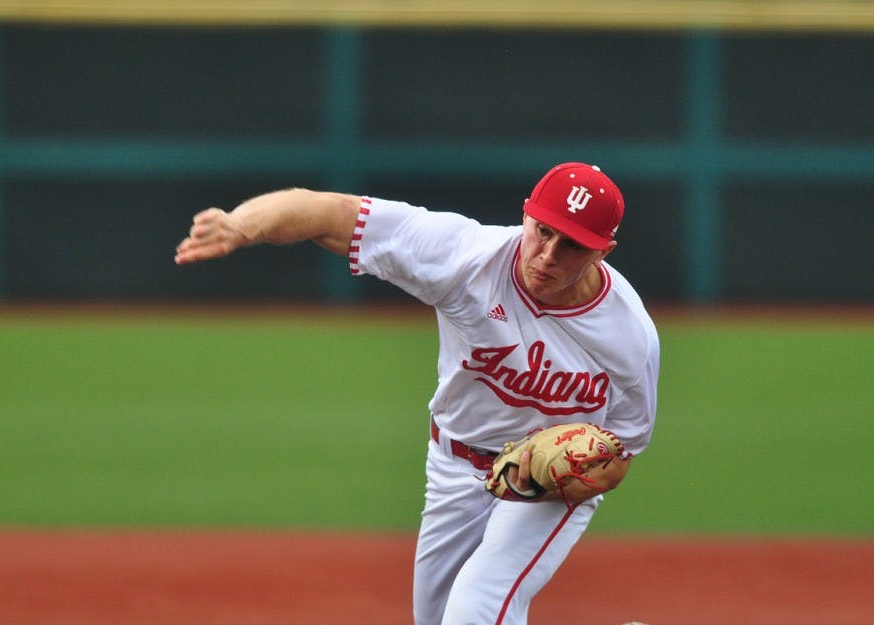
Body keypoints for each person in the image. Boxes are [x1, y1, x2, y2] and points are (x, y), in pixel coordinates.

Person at [174, 162, 659, 625]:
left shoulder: (629, 335)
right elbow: (326, 213)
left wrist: (569, 478)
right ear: (526, 214)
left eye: (572, 245)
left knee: (477, 604)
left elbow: (623, 449)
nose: (548, 255)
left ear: (603, 251)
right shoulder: (465, 256)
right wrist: (241, 226)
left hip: (544, 491)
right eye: (543, 231)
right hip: (454, 464)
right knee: (436, 618)